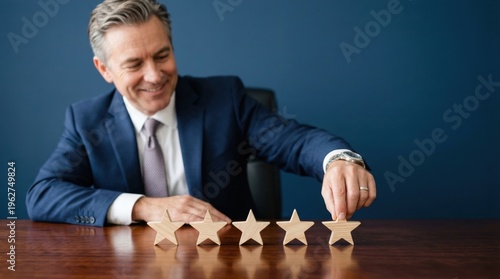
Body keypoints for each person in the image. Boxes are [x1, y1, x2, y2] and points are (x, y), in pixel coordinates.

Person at [26, 0, 376, 227]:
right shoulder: (87, 121)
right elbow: (42, 195)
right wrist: (145, 207)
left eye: (162, 55)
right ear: (104, 69)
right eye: (134, 64)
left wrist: (337, 159)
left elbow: (295, 141)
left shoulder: (226, 99)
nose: (154, 75)